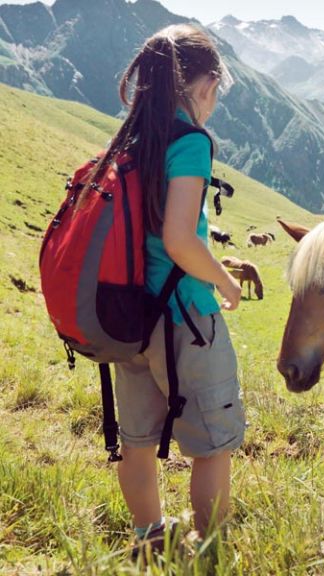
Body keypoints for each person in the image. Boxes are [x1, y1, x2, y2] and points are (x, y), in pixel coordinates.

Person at [88, 24, 246, 557]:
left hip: (129, 316)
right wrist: (224, 280)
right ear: (205, 83)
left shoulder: (131, 138)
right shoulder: (190, 141)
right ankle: (210, 549)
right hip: (186, 318)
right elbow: (179, 240)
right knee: (211, 445)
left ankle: (148, 539)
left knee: (135, 443)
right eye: (216, 88)